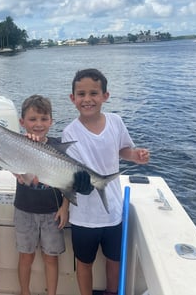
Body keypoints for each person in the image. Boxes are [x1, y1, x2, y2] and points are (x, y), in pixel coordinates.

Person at [62, 68, 150, 295]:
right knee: (84, 263)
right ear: (73, 99)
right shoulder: (68, 132)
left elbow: (123, 150)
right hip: (83, 216)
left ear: (105, 96)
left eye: (93, 93)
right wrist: (75, 187)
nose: (87, 99)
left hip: (113, 213)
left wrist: (135, 155)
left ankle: (113, 292)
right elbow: (67, 175)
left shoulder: (116, 122)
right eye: (81, 94)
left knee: (114, 260)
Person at [13, 95, 69, 295]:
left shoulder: (58, 146)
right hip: (24, 210)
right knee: (25, 256)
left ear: (51, 121)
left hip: (52, 212)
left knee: (50, 258)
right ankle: (24, 292)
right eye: (33, 119)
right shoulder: (17, 144)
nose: (38, 124)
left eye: (44, 119)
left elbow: (68, 180)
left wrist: (65, 207)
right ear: (22, 122)